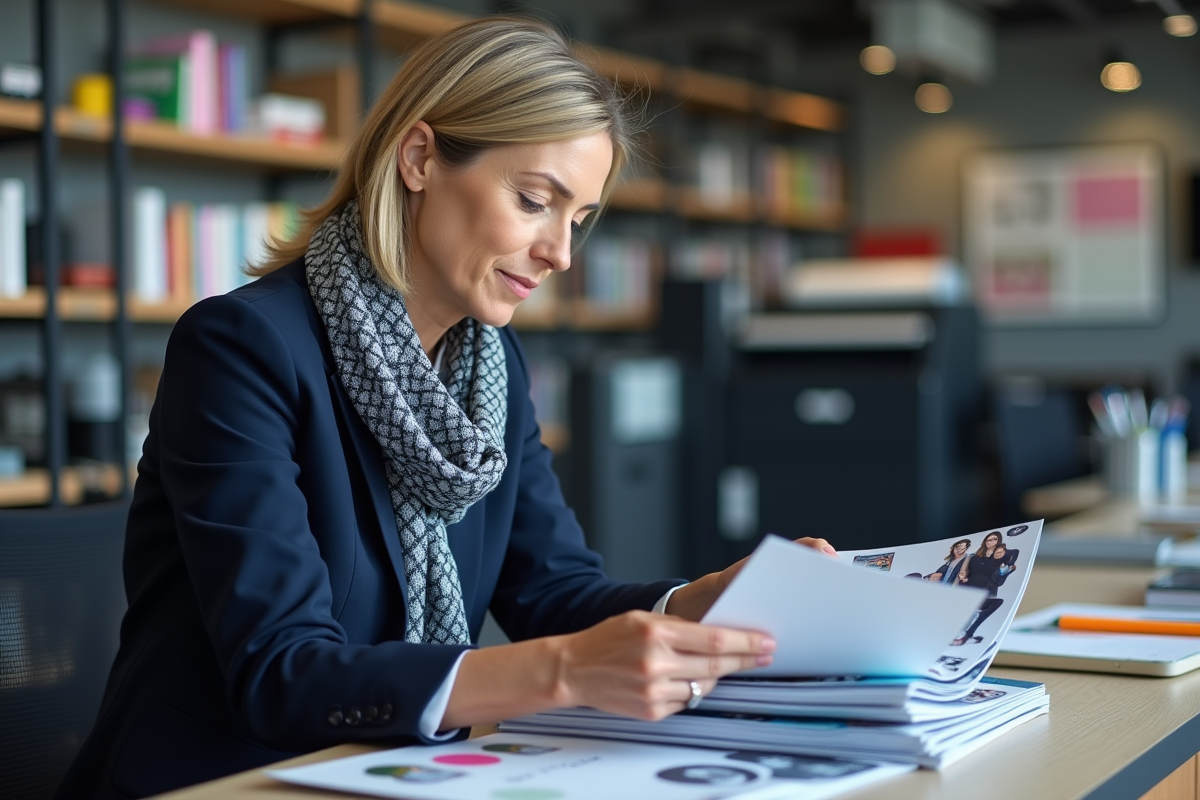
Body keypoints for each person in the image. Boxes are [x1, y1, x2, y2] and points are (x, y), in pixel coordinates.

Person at [56, 17, 836, 799]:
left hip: (390, 773)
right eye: (535, 201)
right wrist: (565, 672)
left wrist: (692, 604)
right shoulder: (242, 347)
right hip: (226, 781)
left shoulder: (489, 368)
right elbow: (282, 672)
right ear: (421, 157)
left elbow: (552, 594)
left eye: (578, 220)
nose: (561, 253)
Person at [951, 542, 1016, 646]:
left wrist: (1004, 570)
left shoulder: (1002, 565)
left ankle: (966, 634)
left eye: (1000, 552)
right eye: (995, 552)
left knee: (995, 603)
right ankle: (965, 634)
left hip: (985, 593)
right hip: (970, 589)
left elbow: (999, 581)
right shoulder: (981, 560)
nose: (997, 554)